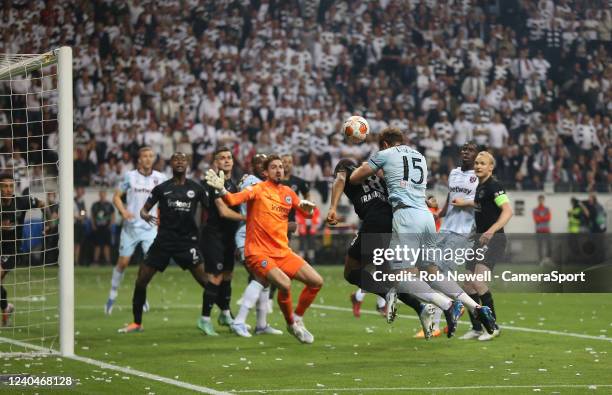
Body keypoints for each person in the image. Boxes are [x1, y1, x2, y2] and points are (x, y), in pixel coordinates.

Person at [350, 128, 494, 338]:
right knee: (432, 272)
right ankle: (477, 308)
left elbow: (355, 178)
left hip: (406, 217)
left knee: (397, 275)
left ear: (385, 144)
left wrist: (369, 166)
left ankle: (447, 304)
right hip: (426, 217)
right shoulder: (419, 156)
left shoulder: (384, 154)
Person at [205, 155, 323, 344]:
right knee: (284, 284)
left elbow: (306, 213)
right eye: (274, 167)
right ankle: (291, 323)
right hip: (258, 251)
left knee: (316, 281)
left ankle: (297, 318)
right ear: (265, 172)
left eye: (281, 167)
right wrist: (221, 190)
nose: (279, 170)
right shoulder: (257, 189)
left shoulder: (288, 193)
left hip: (282, 252)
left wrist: (309, 209)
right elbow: (233, 200)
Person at [326, 157, 435, 337]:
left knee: (350, 271)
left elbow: (339, 179)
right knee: (388, 276)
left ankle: (386, 296)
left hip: (375, 221)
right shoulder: (378, 176)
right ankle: (421, 308)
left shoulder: (346, 170)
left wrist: (332, 207)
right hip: (393, 225)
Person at [118, 152, 209, 333]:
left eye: (183, 160)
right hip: (163, 242)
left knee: (207, 283)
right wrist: (146, 217)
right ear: (171, 164)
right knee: (141, 280)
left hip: (187, 243)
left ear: (188, 164)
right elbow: (144, 210)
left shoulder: (197, 189)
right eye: (176, 159)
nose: (180, 162)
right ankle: (137, 323)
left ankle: (224, 316)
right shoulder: (161, 188)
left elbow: (212, 210)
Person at [452, 151, 513, 340]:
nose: (478, 166)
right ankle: (477, 327)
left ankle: (492, 327)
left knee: (478, 282)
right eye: (477, 163)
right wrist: (465, 203)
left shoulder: (494, 186)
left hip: (493, 240)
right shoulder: (480, 187)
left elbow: (508, 211)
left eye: (482, 163)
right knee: (468, 285)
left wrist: (491, 230)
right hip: (479, 240)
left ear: (490, 167)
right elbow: (481, 204)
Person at [105, 147, 166, 314]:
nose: (147, 159)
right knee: (123, 263)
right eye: (144, 156)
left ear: (153, 159)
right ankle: (112, 293)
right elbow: (116, 196)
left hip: (150, 228)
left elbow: (167, 199)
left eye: (150, 156)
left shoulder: (160, 178)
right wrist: (123, 211)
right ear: (139, 159)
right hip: (131, 227)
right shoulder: (129, 177)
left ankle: (141, 296)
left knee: (149, 265)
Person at [230, 154, 283, 337]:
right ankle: (239, 321)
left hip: (261, 237)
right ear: (252, 167)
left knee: (264, 279)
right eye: (258, 163)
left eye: (264, 163)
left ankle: (261, 325)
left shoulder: (269, 186)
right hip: (247, 235)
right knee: (260, 276)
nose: (262, 166)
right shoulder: (250, 181)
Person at [198, 147, 244, 336]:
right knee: (215, 277)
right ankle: (204, 319)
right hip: (214, 235)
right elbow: (223, 212)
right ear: (215, 163)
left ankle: (225, 314)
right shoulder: (213, 183)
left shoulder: (232, 184)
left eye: (229, 158)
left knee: (227, 275)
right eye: (222, 158)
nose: (226, 160)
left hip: (229, 236)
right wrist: (248, 219)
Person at [0, 174, 45, 326]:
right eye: (5, 186)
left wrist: (48, 223)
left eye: (10, 186)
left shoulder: (21, 201)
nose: (8, 189)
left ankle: (6, 307)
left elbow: (42, 204)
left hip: (12, 250)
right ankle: (6, 307)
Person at [91, 190, 115, 265]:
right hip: (98, 228)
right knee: (97, 245)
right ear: (99, 195)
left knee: (107, 245)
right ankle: (95, 261)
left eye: (103, 194)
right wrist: (93, 225)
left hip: (106, 227)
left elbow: (113, 215)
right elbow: (92, 216)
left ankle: (108, 261)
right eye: (101, 194)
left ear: (105, 195)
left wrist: (111, 225)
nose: (102, 195)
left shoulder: (109, 205)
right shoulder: (95, 205)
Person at [532, 195, 552, 264]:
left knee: (549, 245)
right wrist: (543, 218)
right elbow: (536, 219)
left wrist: (540, 218)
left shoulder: (547, 209)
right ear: (538, 200)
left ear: (543, 200)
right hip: (539, 230)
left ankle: (548, 259)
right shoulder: (535, 210)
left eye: (542, 200)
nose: (541, 201)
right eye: (540, 200)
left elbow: (549, 218)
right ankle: (540, 260)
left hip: (546, 230)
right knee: (539, 246)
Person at [74, 186, 87, 265]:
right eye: (78, 190)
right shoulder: (73, 200)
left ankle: (76, 261)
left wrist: (82, 216)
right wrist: (78, 217)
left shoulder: (82, 201)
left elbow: (83, 210)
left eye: (81, 191)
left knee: (78, 244)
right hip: (74, 224)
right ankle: (72, 260)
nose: (80, 192)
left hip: (80, 224)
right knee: (73, 243)